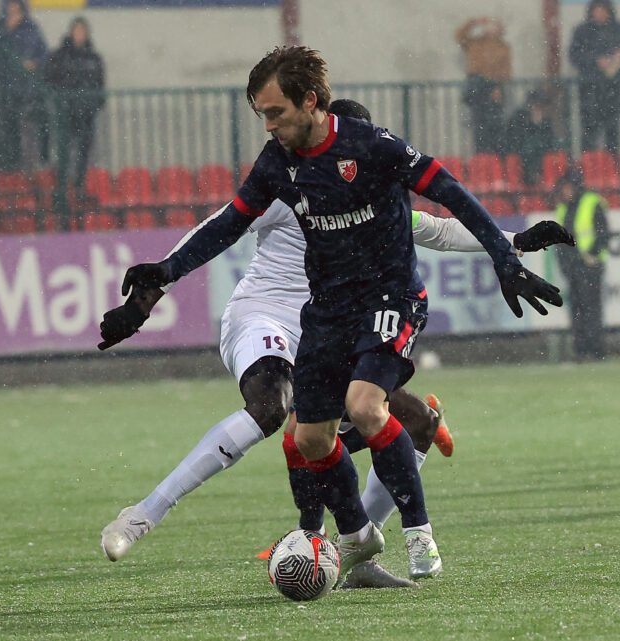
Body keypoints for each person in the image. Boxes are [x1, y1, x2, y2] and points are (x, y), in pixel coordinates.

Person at [99, 46, 562, 583]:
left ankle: (353, 550)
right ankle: (144, 514)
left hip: (333, 322)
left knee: (413, 421)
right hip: (266, 315)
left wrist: (516, 244)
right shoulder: (288, 176)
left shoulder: (375, 188)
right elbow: (221, 224)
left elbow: (438, 225)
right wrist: (159, 281)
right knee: (275, 409)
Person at [553, 166, 611, 361]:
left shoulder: (592, 203)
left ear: (576, 187)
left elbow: (603, 233)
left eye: (568, 187)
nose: (565, 192)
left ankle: (595, 350)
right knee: (577, 309)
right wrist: (564, 264)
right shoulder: (563, 208)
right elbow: (558, 241)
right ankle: (581, 350)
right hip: (573, 268)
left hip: (589, 267)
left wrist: (591, 254)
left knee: (590, 309)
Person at [45, 16, 105, 193]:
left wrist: (93, 105)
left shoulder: (93, 58)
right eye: (77, 30)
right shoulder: (59, 56)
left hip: (86, 113)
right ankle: (62, 185)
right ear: (70, 33)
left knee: (84, 152)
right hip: (65, 112)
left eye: (82, 31)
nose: (80, 34)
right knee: (63, 151)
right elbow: (49, 80)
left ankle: (79, 185)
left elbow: (100, 85)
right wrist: (62, 102)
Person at [568, 0, 620, 157]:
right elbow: (574, 55)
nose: (600, 13)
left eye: (603, 10)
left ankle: (611, 167)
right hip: (589, 89)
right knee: (589, 130)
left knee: (612, 131)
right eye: (597, 10)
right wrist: (596, 61)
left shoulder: (618, 29)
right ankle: (589, 167)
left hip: (613, 88)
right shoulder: (582, 31)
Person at [0, 0, 48, 171]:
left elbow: (43, 54)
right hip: (2, 91)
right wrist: (7, 31)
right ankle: (8, 170)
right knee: (6, 132)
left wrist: (34, 64)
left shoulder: (31, 28)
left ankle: (28, 172)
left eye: (17, 7)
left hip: (26, 92)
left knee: (30, 132)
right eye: (11, 7)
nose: (14, 10)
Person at [455, 16, 511, 155]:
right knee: (478, 125)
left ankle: (493, 155)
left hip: (492, 87)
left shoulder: (502, 47)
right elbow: (458, 36)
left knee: (493, 126)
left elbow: (506, 71)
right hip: (476, 86)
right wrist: (473, 22)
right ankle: (482, 156)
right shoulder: (475, 42)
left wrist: (498, 86)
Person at [505, 88, 561, 187]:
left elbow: (551, 145)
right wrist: (534, 125)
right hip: (524, 163)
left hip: (539, 162)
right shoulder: (519, 120)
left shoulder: (546, 124)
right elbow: (520, 145)